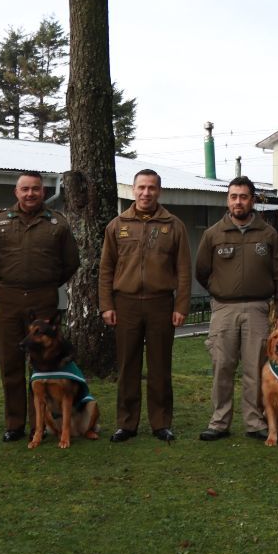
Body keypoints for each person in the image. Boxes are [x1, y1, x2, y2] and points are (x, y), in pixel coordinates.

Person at [195, 176, 278, 442]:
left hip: (257, 309)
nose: (238, 201)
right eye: (233, 196)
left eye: (243, 196)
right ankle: (219, 422)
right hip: (224, 310)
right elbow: (201, 272)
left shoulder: (268, 234)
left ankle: (254, 421)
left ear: (253, 200)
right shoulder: (213, 234)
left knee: (255, 367)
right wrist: (220, 291)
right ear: (228, 200)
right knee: (222, 366)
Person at [0, 171, 79, 442]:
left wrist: (47, 282)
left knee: (43, 364)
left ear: (43, 191)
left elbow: (70, 262)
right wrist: (13, 280)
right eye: (24, 189)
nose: (30, 194)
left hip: (43, 299)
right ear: (16, 192)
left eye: (35, 189)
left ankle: (44, 422)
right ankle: (15, 424)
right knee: (11, 363)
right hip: (10, 298)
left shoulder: (57, 223)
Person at [99, 169, 191, 443]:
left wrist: (181, 306)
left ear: (159, 191)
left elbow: (183, 270)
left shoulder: (174, 226)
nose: (146, 193)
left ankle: (161, 422)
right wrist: (106, 305)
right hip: (125, 304)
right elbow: (106, 269)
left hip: (161, 303)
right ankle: (126, 423)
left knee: (160, 365)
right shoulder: (117, 225)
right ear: (133, 189)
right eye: (141, 187)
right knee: (128, 365)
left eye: (151, 188)